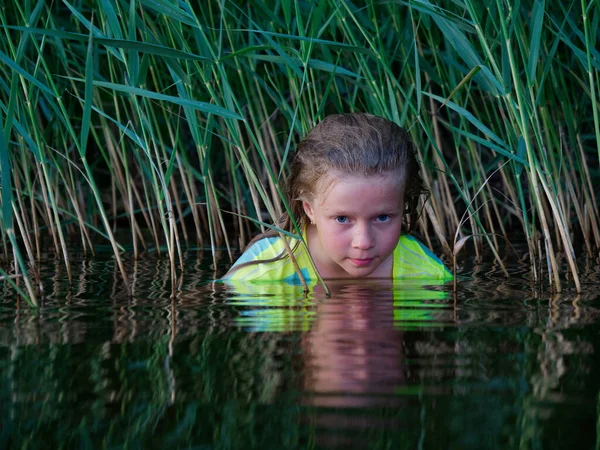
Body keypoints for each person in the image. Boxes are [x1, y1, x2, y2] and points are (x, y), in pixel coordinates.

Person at [222, 112, 452, 284]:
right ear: (309, 209)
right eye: (342, 219)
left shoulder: (426, 273)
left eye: (382, 217)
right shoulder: (260, 273)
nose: (363, 242)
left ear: (403, 207)